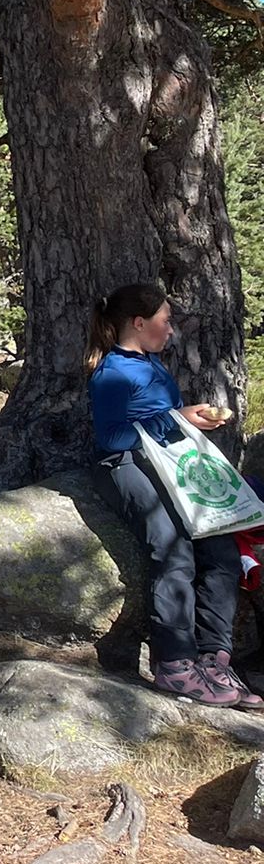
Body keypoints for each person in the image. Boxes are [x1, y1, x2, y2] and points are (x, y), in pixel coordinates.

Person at [87, 281, 261, 707]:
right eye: (165, 321)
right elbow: (111, 437)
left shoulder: (151, 363)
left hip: (168, 464)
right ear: (138, 322)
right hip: (125, 467)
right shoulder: (112, 372)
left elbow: (161, 418)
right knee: (173, 550)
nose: (171, 330)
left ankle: (215, 658)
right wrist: (174, 418)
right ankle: (175, 664)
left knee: (220, 547)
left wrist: (188, 419)